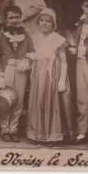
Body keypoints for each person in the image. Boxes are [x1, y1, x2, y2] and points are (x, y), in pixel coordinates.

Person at [27, 8, 74, 144]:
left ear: (53, 24)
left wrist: (62, 81)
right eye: (42, 20)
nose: (44, 23)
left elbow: (64, 62)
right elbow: (32, 56)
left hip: (54, 74)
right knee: (39, 100)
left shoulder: (58, 40)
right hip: (38, 75)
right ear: (38, 22)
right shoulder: (34, 38)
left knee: (53, 102)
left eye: (48, 21)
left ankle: (53, 134)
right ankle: (37, 133)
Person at [0, 5, 34, 143]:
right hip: (7, 69)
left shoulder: (26, 34)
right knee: (6, 99)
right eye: (11, 17)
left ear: (21, 17)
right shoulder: (1, 34)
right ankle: (5, 128)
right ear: (6, 18)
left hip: (21, 69)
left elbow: (31, 52)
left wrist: (27, 63)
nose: (14, 20)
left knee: (18, 100)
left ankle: (14, 129)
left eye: (17, 17)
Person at [67, 0, 88, 144]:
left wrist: (84, 50)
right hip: (81, 63)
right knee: (82, 98)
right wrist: (72, 48)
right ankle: (82, 130)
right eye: (86, 6)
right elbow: (73, 39)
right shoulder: (80, 24)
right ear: (82, 7)